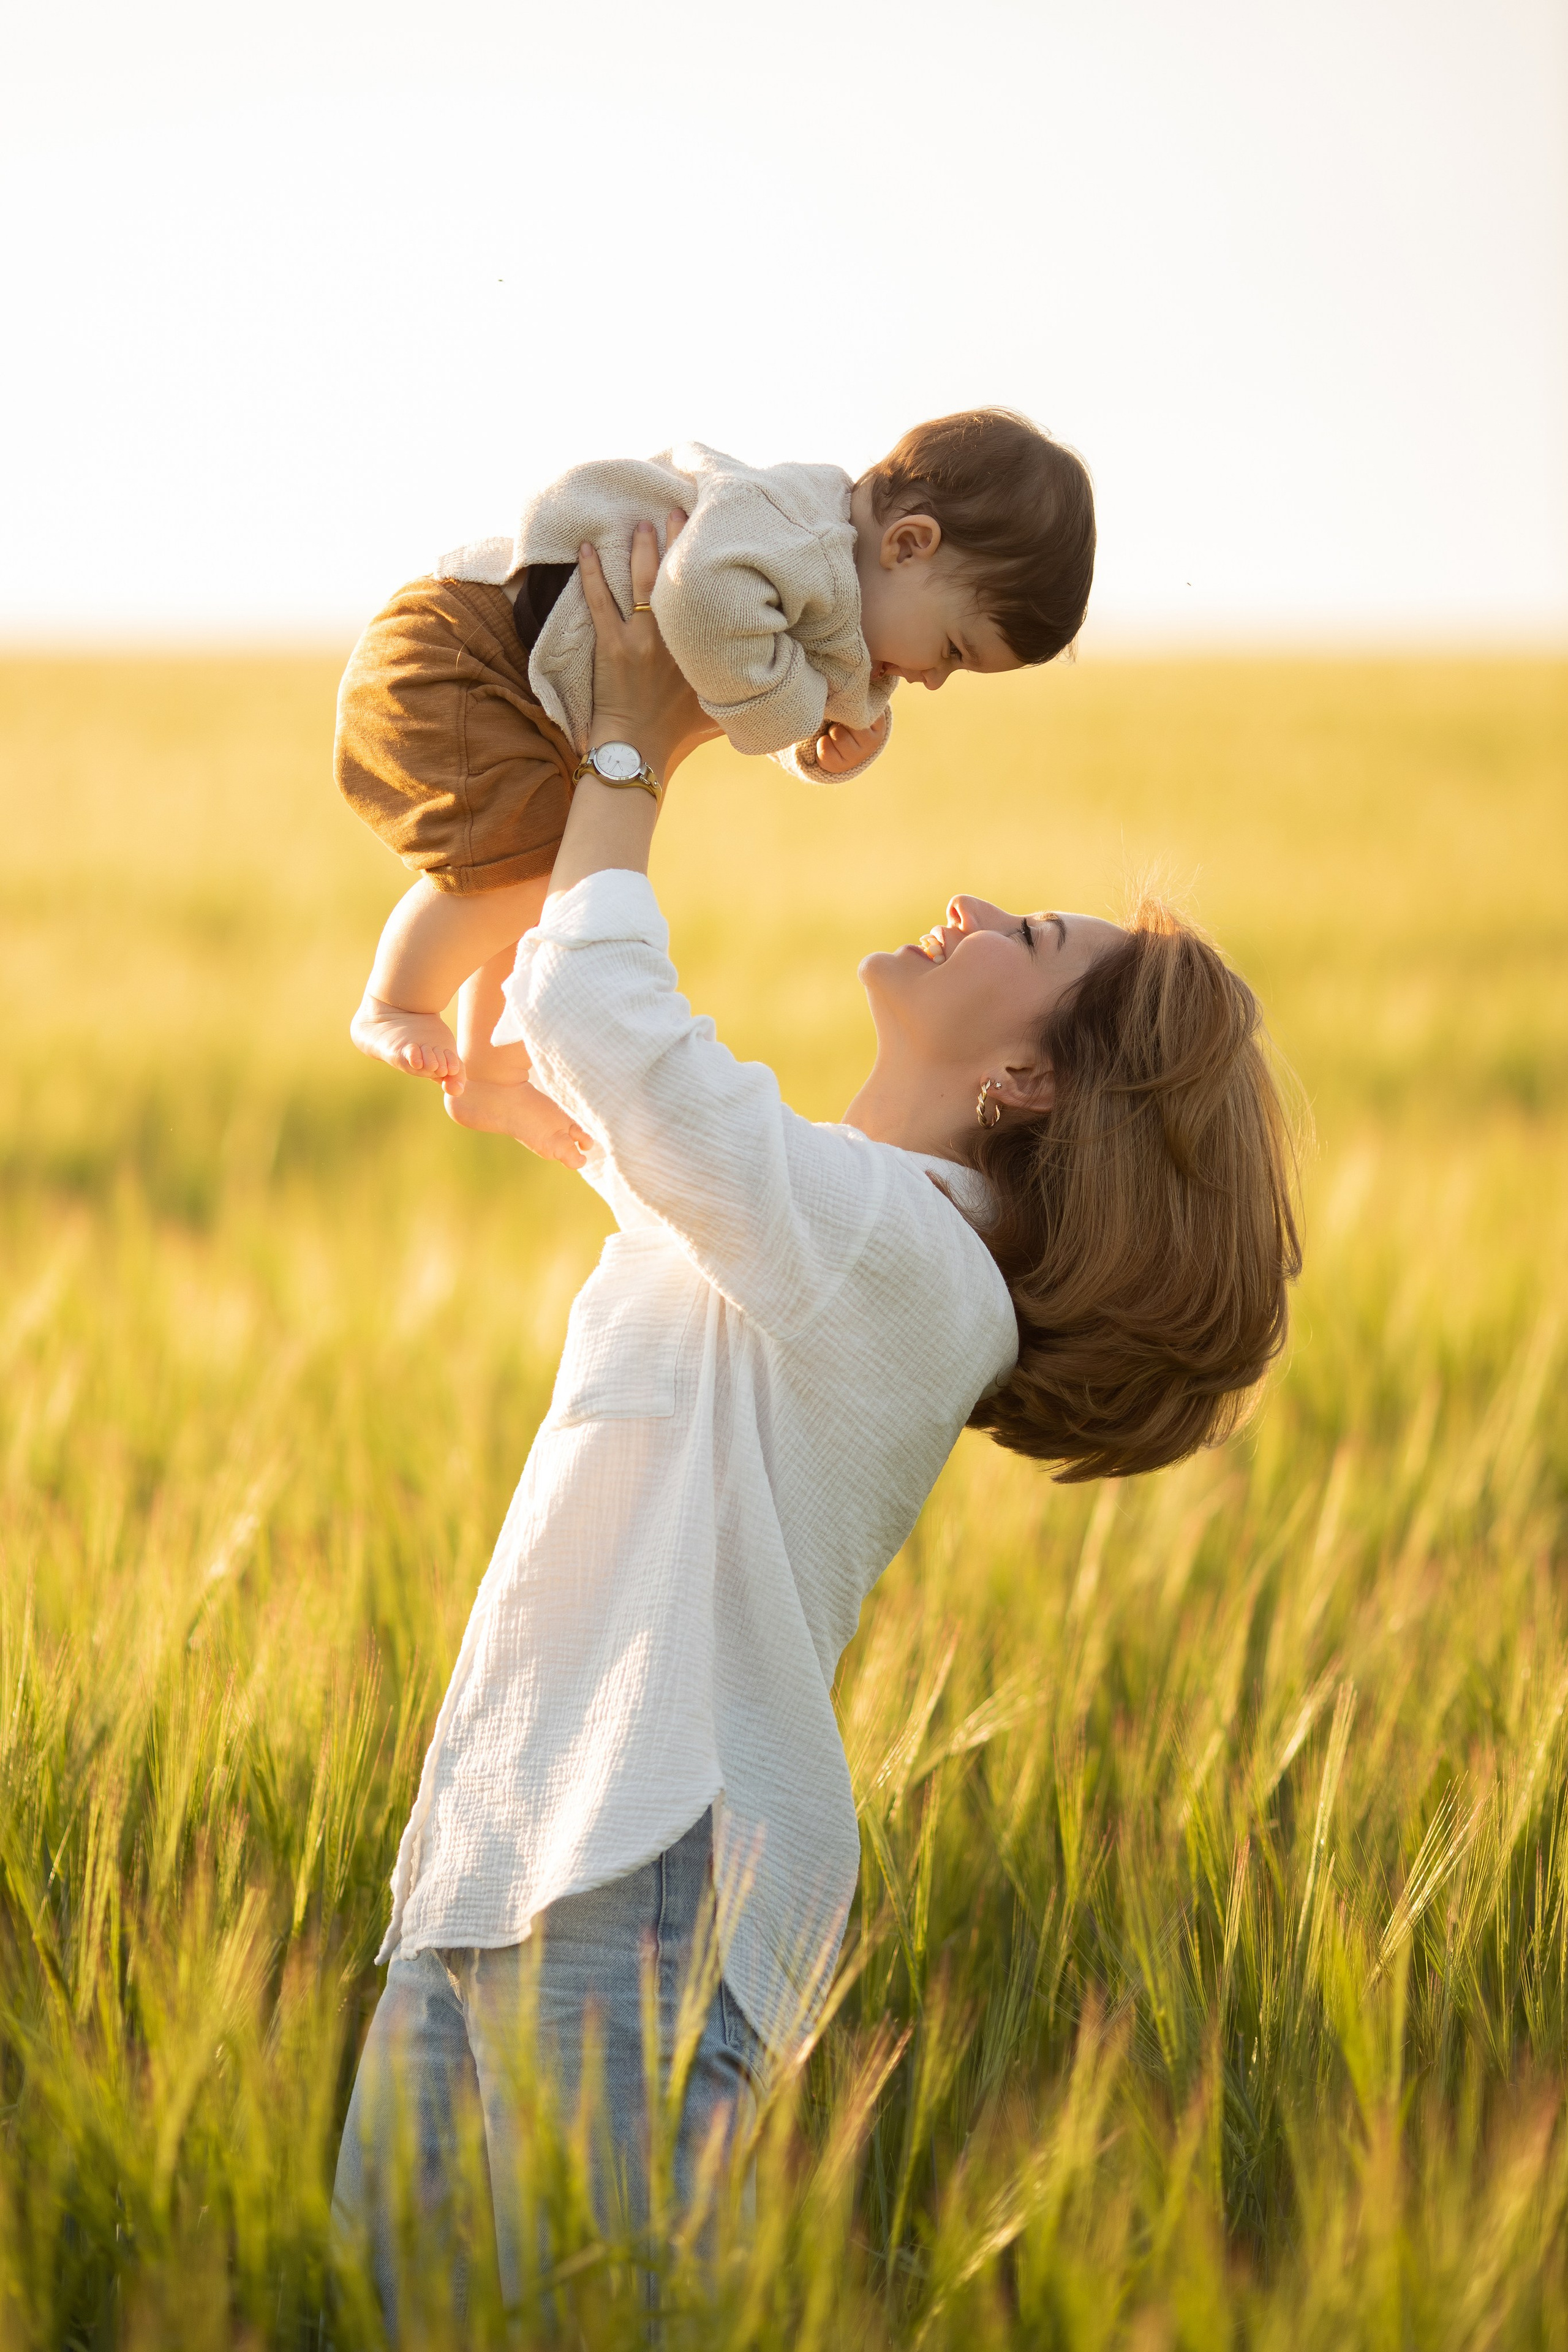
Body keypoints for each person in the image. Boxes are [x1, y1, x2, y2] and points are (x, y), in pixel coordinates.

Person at [331, 521, 1300, 2335]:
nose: (972, 904)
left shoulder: (916, 1272)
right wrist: (653, 715)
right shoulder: (853, 1227)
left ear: (1026, 1079)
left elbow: (613, 1026)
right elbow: (599, 1063)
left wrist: (629, 746)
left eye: (1026, 936)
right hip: (513, 1858)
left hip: (646, 1879)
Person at [335, 410, 1095, 1159]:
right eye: (953, 651)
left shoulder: (836, 575)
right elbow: (697, 603)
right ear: (908, 544)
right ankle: (395, 1001)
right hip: (467, 653)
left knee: (544, 870)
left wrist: (815, 748)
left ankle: (491, 1073)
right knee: (534, 869)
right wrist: (805, 710)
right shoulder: (791, 533)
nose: (930, 680)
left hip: (534, 691)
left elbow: (727, 676)